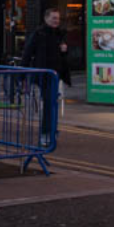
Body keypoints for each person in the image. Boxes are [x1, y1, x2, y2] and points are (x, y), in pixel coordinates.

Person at [20, 9, 72, 141]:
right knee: (49, 103)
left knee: (52, 103)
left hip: (56, 75)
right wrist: (21, 75)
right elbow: (27, 53)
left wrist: (65, 50)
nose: (56, 21)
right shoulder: (39, 33)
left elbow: (64, 54)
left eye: (58, 18)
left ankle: (51, 130)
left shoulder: (60, 33)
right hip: (44, 74)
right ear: (46, 18)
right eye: (54, 18)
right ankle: (46, 132)